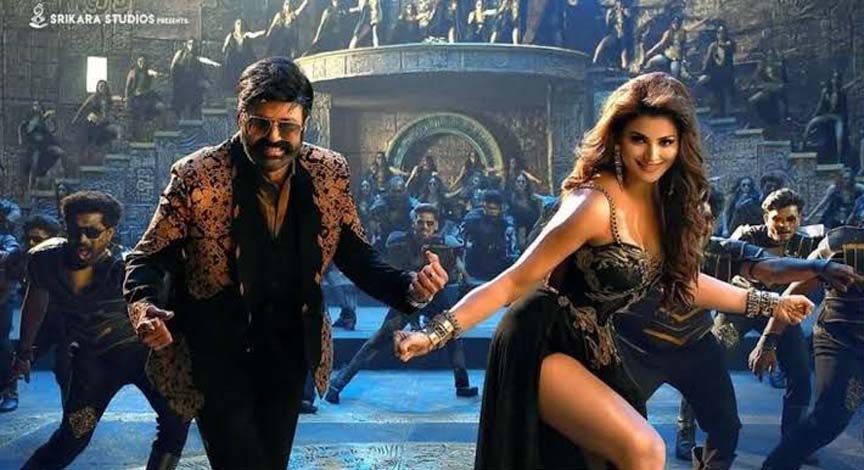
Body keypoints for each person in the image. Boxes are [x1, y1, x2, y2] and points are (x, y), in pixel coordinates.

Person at [395, 72, 814, 470]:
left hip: (597, 347)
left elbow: (683, 283)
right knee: (644, 449)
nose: (652, 155)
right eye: (639, 140)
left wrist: (771, 304)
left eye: (665, 142)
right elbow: (513, 281)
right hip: (543, 341)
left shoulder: (666, 204)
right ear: (617, 137)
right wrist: (433, 334)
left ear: (681, 144)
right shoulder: (593, 203)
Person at [124, 57, 447, 470]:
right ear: (240, 117)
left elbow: (355, 254)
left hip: (291, 348)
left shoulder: (329, 172)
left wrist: (409, 288)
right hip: (216, 352)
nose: (273, 138)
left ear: (305, 123)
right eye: (260, 124)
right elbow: (149, 255)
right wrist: (144, 305)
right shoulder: (196, 175)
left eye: (287, 126)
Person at [11, 191, 190, 470]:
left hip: (144, 358)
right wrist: (24, 352)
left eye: (92, 232)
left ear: (110, 232)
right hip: (93, 363)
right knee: (73, 437)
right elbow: (36, 301)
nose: (82, 240)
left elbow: (152, 301)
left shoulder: (127, 266)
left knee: (177, 419)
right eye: (75, 232)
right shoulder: (44, 260)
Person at [325, 204, 478, 404]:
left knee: (453, 335)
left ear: (436, 225)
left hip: (436, 296)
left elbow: (451, 270)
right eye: (420, 222)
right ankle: (338, 384)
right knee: (378, 340)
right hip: (408, 297)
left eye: (429, 223)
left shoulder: (444, 245)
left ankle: (462, 384)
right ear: (413, 223)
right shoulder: (400, 243)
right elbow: (392, 269)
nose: (424, 227)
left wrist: (459, 276)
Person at [759, 224, 864, 469]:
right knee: (830, 418)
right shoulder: (842, 242)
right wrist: (769, 340)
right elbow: (796, 289)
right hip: (841, 339)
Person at [0, 202, 23, 412]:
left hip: (2, 296)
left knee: (2, 343)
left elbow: (12, 251)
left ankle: (9, 390)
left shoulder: (5, 238)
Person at [18, 100, 67, 190]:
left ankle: (60, 183)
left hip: (46, 148)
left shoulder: (44, 125)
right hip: (36, 149)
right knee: (34, 161)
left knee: (59, 157)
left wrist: (55, 147)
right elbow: (26, 134)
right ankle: (31, 184)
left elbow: (50, 137)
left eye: (38, 106)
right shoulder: (29, 123)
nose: (37, 108)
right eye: (35, 105)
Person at [72, 80, 121, 165]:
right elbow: (83, 108)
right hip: (93, 119)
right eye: (100, 86)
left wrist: (110, 118)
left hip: (104, 121)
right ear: (98, 88)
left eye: (104, 87)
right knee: (92, 132)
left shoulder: (108, 100)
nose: (102, 88)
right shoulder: (93, 98)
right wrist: (76, 119)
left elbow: (111, 111)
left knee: (110, 133)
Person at [221, 19, 265, 92]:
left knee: (245, 71)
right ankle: (232, 87)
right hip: (233, 58)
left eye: (241, 24)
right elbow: (225, 46)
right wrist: (224, 53)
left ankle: (243, 87)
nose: (240, 26)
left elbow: (253, 35)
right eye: (238, 24)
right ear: (235, 25)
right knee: (233, 72)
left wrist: (263, 32)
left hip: (244, 57)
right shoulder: (231, 35)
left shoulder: (246, 34)